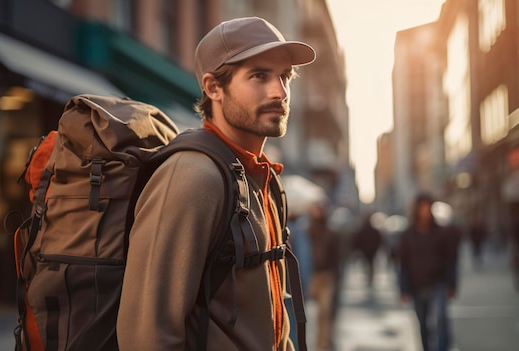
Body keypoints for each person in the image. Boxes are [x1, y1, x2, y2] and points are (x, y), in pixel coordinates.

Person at [116, 17, 315, 350]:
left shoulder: (263, 178)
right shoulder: (192, 177)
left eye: (284, 76)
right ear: (213, 87)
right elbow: (146, 335)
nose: (279, 92)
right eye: (259, 76)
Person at [398, 193, 457, 351]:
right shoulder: (408, 234)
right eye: (422, 207)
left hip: (438, 282)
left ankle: (443, 347)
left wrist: (452, 284)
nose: (424, 211)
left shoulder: (441, 232)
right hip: (417, 285)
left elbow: (450, 259)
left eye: (427, 207)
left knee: (440, 319)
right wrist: (403, 289)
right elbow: (403, 263)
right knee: (423, 324)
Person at [307, 203, 342, 351]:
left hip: (326, 276)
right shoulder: (308, 232)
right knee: (307, 311)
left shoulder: (331, 233)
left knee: (324, 313)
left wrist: (335, 275)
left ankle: (322, 344)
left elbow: (336, 257)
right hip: (311, 275)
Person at [352, 212, 382, 287]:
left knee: (368, 263)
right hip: (370, 250)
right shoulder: (371, 230)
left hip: (367, 250)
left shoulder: (363, 229)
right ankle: (369, 276)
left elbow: (357, 239)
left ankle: (369, 275)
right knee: (370, 263)